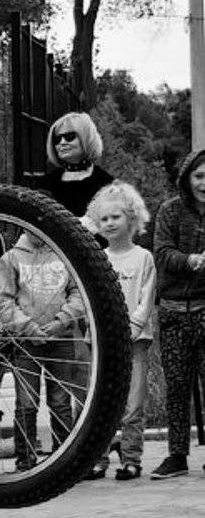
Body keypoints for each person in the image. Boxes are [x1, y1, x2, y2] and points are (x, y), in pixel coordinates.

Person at [83, 183, 155, 482]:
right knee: (101, 401)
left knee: (133, 403)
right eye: (104, 219)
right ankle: (97, 459)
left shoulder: (143, 257)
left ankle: (131, 458)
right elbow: (89, 300)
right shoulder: (97, 258)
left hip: (135, 342)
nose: (109, 223)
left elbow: (147, 298)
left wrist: (132, 328)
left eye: (116, 217)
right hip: (103, 342)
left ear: (132, 218)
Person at [0, 234, 83, 472]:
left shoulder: (64, 255)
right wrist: (28, 328)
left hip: (61, 338)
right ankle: (25, 461)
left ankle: (64, 460)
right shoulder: (10, 258)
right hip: (26, 342)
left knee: (61, 401)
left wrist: (61, 321)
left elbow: (78, 294)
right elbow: (4, 302)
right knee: (26, 403)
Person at [147, 148, 205, 479]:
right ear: (187, 178)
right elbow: (162, 253)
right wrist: (190, 261)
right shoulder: (170, 210)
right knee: (177, 387)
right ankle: (177, 455)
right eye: (199, 176)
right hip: (172, 313)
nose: (204, 183)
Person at [36, 113, 114, 221]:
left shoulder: (105, 183)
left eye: (69, 137)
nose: (62, 143)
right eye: (57, 139)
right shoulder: (45, 183)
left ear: (86, 138)